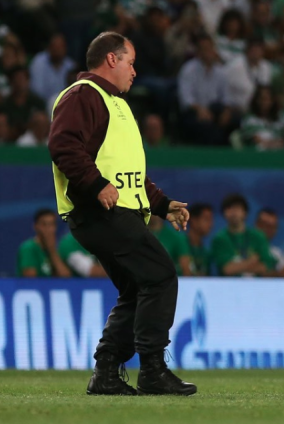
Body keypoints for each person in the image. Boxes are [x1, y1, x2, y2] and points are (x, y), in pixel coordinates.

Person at [48, 32, 196, 396]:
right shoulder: (84, 95)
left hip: (112, 212)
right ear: (111, 60)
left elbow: (128, 174)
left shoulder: (116, 104)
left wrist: (162, 205)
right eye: (131, 62)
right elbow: (63, 145)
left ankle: (106, 373)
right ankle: (152, 370)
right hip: (98, 212)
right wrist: (95, 184)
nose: (135, 71)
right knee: (160, 276)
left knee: (137, 287)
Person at [210, 193, 275, 277]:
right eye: (229, 209)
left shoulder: (258, 236)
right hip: (229, 286)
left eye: (237, 209)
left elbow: (267, 267)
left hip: (257, 286)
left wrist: (237, 267)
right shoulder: (219, 239)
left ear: (245, 213)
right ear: (224, 213)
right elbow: (227, 270)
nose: (233, 213)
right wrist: (252, 261)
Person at [17, 208, 72, 278]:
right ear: (35, 226)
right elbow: (30, 280)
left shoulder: (56, 250)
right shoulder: (29, 248)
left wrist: (52, 251)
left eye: (52, 224)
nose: (49, 229)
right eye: (44, 224)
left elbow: (66, 278)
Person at [254, 208, 284, 277]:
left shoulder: (275, 253)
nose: (268, 230)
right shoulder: (245, 247)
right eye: (265, 225)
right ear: (257, 225)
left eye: (272, 227)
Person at [185, 203, 214, 276]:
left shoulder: (206, 252)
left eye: (211, 220)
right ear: (193, 220)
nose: (211, 224)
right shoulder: (180, 245)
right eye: (206, 219)